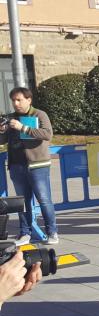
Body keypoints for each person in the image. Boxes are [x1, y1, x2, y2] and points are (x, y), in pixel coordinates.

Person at [1, 87, 58, 245]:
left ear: (29, 100)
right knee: (22, 202)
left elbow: (47, 134)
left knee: (44, 199)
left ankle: (52, 232)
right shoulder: (11, 117)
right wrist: (2, 131)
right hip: (17, 165)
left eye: (19, 100)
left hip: (37, 165)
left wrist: (23, 128)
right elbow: (2, 141)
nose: (16, 103)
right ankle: (25, 233)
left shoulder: (39, 115)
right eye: (13, 100)